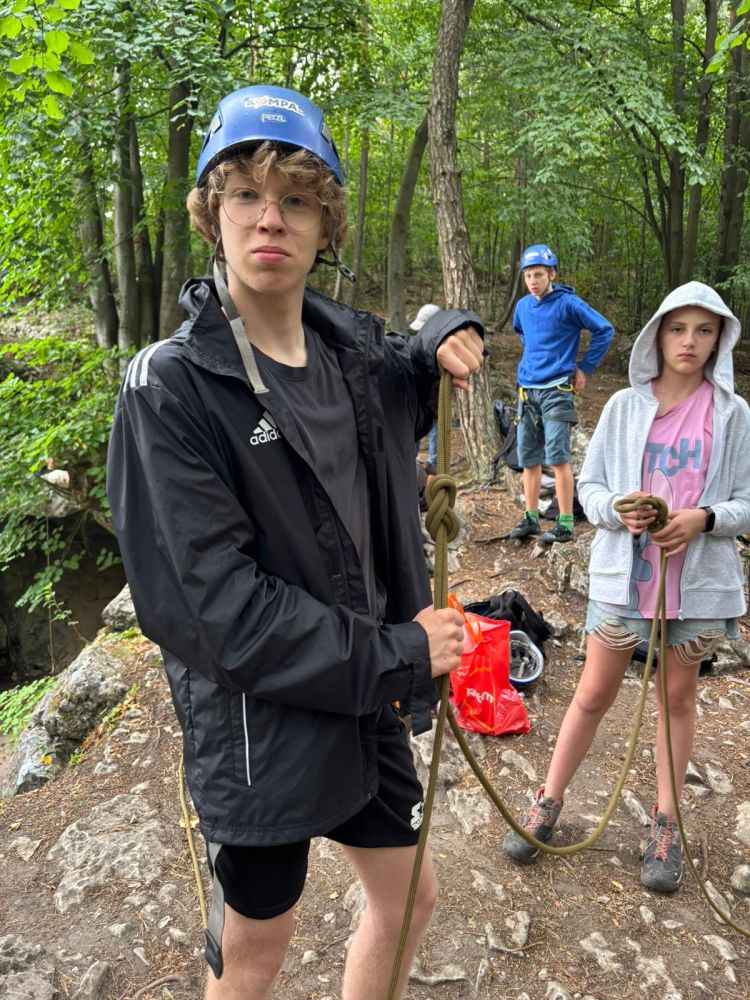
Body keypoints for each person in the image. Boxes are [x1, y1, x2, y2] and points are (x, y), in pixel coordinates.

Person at [106, 84, 485, 999]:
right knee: (254, 954)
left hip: (366, 702)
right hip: (259, 726)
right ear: (213, 215)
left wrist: (445, 330)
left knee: (411, 899)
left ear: (325, 227)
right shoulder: (171, 389)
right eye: (245, 194)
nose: (269, 217)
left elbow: (417, 366)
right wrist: (401, 653)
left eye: (297, 199)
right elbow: (218, 611)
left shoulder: (354, 356)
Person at [503, 281, 750, 892]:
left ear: (720, 338)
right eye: (678, 328)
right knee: (593, 693)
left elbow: (746, 501)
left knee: (677, 699)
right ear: (657, 335)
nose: (689, 342)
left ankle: (666, 822)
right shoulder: (623, 407)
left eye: (704, 330)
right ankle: (549, 799)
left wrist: (704, 519)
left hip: (697, 585)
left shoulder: (733, 414)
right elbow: (588, 489)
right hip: (625, 579)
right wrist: (618, 509)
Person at [508, 244, 614, 543]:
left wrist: (584, 368)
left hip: (557, 390)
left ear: (552, 274)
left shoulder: (569, 304)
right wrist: (534, 357)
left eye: (539, 274)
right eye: (528, 275)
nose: (533, 281)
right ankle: (530, 517)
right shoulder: (523, 307)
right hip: (527, 392)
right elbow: (521, 332)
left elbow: (604, 330)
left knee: (557, 457)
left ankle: (565, 523)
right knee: (528, 458)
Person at [411, 303, 441, 471]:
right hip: (416, 395)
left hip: (432, 395)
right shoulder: (416, 343)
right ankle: (412, 458)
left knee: (434, 429)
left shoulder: (439, 345)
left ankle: (433, 461)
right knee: (414, 428)